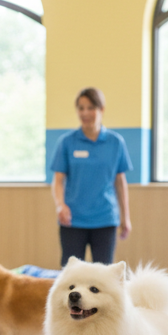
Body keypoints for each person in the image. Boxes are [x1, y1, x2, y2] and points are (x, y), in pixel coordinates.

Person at [50, 87, 133, 265]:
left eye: (90, 108)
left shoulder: (115, 142)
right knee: (70, 274)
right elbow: (58, 180)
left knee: (103, 276)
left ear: (101, 110)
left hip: (105, 219)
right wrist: (60, 205)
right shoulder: (67, 142)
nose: (85, 113)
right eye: (81, 108)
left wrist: (125, 216)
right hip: (73, 220)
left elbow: (120, 182)